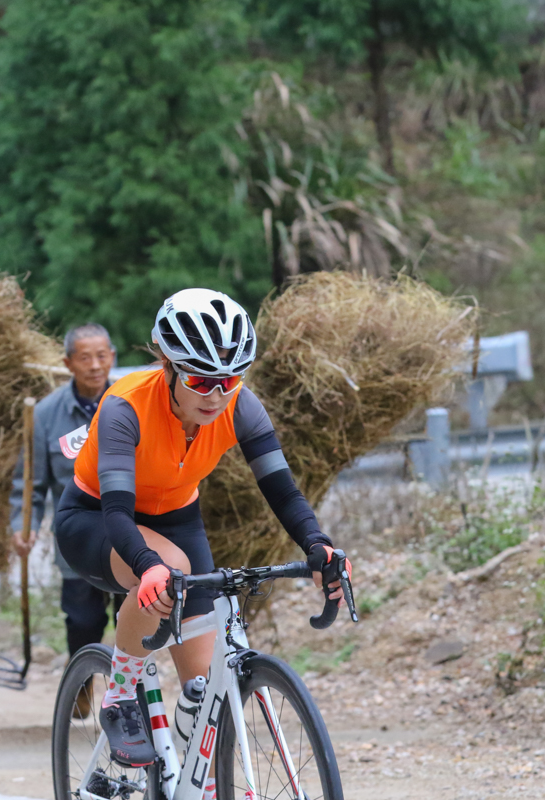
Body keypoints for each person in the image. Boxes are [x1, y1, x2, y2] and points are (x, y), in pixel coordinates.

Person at [54, 288, 352, 768]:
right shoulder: (123, 406)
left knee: (205, 694)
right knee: (170, 569)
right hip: (96, 519)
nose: (217, 394)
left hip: (178, 519)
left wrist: (319, 545)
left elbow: (283, 491)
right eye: (200, 379)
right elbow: (116, 511)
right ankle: (122, 695)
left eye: (231, 379)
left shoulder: (241, 404)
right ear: (169, 367)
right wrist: (147, 566)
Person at [9, 322, 118, 715]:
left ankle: (130, 695)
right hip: (78, 538)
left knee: (134, 618)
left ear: (113, 358)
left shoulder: (131, 402)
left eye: (102, 355)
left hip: (131, 532)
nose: (95, 365)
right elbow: (30, 484)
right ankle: (83, 683)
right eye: (85, 357)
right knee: (83, 619)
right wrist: (22, 528)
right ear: (68, 363)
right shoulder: (45, 415)